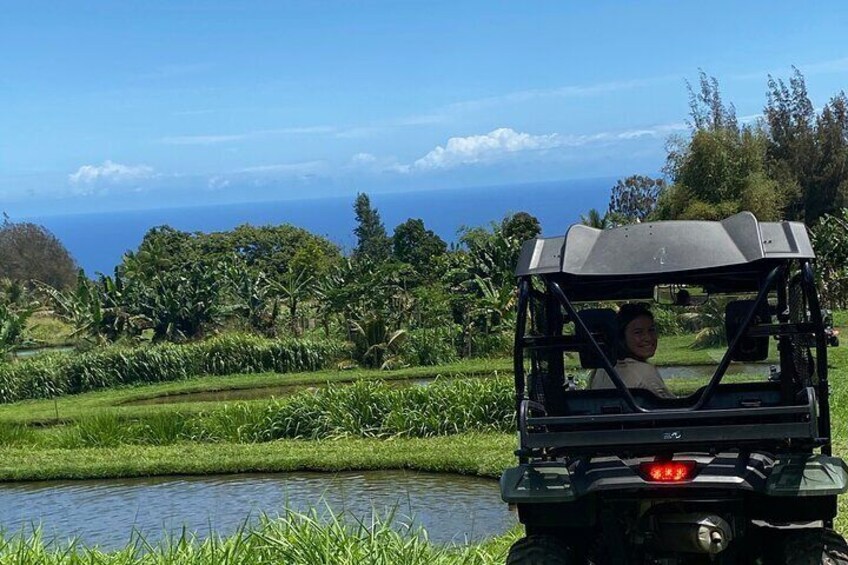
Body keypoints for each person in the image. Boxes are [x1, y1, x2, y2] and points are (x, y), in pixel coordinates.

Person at [587, 303, 674, 398]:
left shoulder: (602, 370)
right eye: (638, 332)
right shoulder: (645, 372)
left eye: (651, 330)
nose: (648, 338)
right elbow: (672, 408)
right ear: (622, 337)